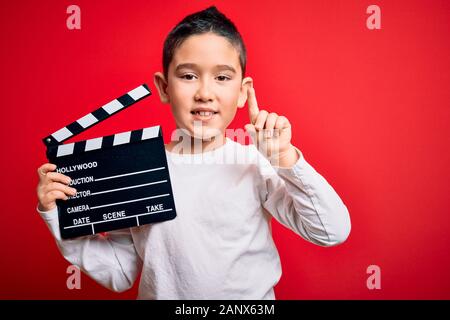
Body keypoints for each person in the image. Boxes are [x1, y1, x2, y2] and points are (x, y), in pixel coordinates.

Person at [36, 6, 351, 299]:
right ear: (163, 87)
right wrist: (58, 215)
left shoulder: (255, 165)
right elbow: (118, 273)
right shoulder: (137, 172)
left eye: (222, 77)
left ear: (243, 91)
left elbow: (330, 230)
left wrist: (285, 158)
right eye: (188, 76)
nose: (204, 93)